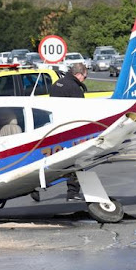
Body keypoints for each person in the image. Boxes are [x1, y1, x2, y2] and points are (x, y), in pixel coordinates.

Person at [50, 63, 88, 201]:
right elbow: (81, 111)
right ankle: (73, 192)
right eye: (85, 77)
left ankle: (34, 189)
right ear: (78, 74)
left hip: (56, 129)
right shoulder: (74, 88)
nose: (84, 79)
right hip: (71, 131)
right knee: (76, 162)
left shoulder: (57, 84)